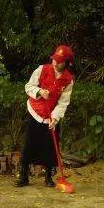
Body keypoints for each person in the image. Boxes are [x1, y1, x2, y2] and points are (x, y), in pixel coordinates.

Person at [16, 45, 75, 187]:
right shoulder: (41, 69)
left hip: (51, 116)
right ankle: (23, 176)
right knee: (29, 144)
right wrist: (40, 91)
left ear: (67, 63)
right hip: (35, 111)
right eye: (54, 59)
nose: (55, 63)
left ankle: (49, 177)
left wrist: (55, 117)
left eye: (59, 61)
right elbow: (28, 86)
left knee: (50, 147)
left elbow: (63, 102)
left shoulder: (68, 80)